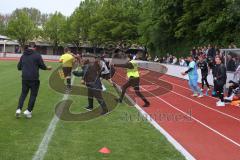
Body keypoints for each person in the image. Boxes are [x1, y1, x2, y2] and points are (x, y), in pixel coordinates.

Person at [16, 43, 52, 118]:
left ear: (28, 47)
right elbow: (42, 66)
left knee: (23, 94)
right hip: (34, 78)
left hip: (25, 78)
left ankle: (19, 109)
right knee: (33, 95)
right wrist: (47, 68)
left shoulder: (23, 55)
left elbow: (19, 67)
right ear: (35, 48)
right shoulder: (37, 55)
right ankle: (28, 111)